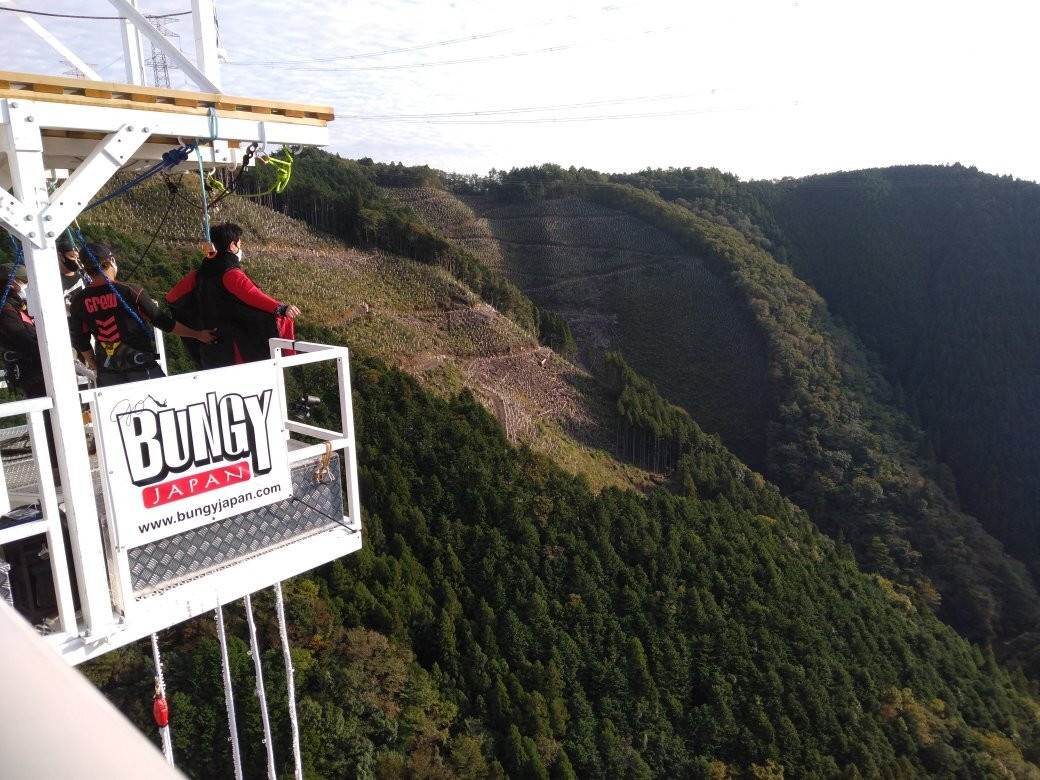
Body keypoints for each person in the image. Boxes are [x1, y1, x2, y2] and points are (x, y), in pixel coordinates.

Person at [69, 243, 214, 386]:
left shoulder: (79, 301)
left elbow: (81, 341)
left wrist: (96, 366)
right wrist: (198, 334)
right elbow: (163, 322)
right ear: (111, 261)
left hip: (108, 374)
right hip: (142, 370)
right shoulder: (130, 291)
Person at [166, 222, 299, 369]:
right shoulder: (230, 273)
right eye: (239, 244)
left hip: (209, 346)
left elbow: (172, 297)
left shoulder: (198, 274)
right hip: (234, 348)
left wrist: (196, 329)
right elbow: (251, 295)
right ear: (231, 246)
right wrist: (280, 308)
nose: (240, 248)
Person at [0, 263, 57, 464]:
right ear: (13, 283)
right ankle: (56, 464)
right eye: (24, 282)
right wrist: (55, 351)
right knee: (49, 420)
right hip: (31, 371)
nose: (26, 286)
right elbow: (25, 341)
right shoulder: (6, 310)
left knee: (51, 418)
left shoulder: (14, 307)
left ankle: (57, 462)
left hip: (36, 368)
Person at [55, 239, 87, 312]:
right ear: (60, 256)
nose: (75, 261)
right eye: (72, 256)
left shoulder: (83, 279)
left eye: (77, 258)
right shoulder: (52, 279)